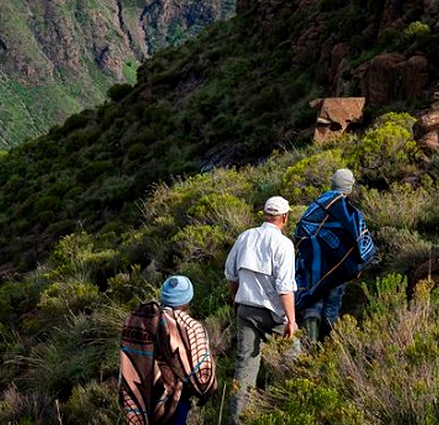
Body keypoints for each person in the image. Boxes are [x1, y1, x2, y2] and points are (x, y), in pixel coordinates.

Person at [223, 195, 297, 425]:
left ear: (265, 215)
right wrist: (291, 320)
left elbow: (230, 274)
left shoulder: (245, 237)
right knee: (297, 361)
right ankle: (294, 408)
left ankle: (238, 420)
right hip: (274, 314)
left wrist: (235, 299)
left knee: (245, 368)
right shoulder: (283, 244)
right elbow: (284, 288)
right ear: (284, 218)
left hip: (246, 311)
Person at [119, 274, 217, 425]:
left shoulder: (141, 319)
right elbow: (202, 377)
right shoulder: (190, 327)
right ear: (188, 300)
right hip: (175, 401)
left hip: (144, 397)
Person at [294, 168, 376, 344]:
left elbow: (301, 232)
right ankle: (328, 346)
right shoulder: (347, 210)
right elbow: (359, 240)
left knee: (313, 301)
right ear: (350, 188)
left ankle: (310, 347)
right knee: (332, 304)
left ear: (332, 183)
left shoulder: (316, 205)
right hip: (339, 268)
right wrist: (354, 262)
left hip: (314, 265)